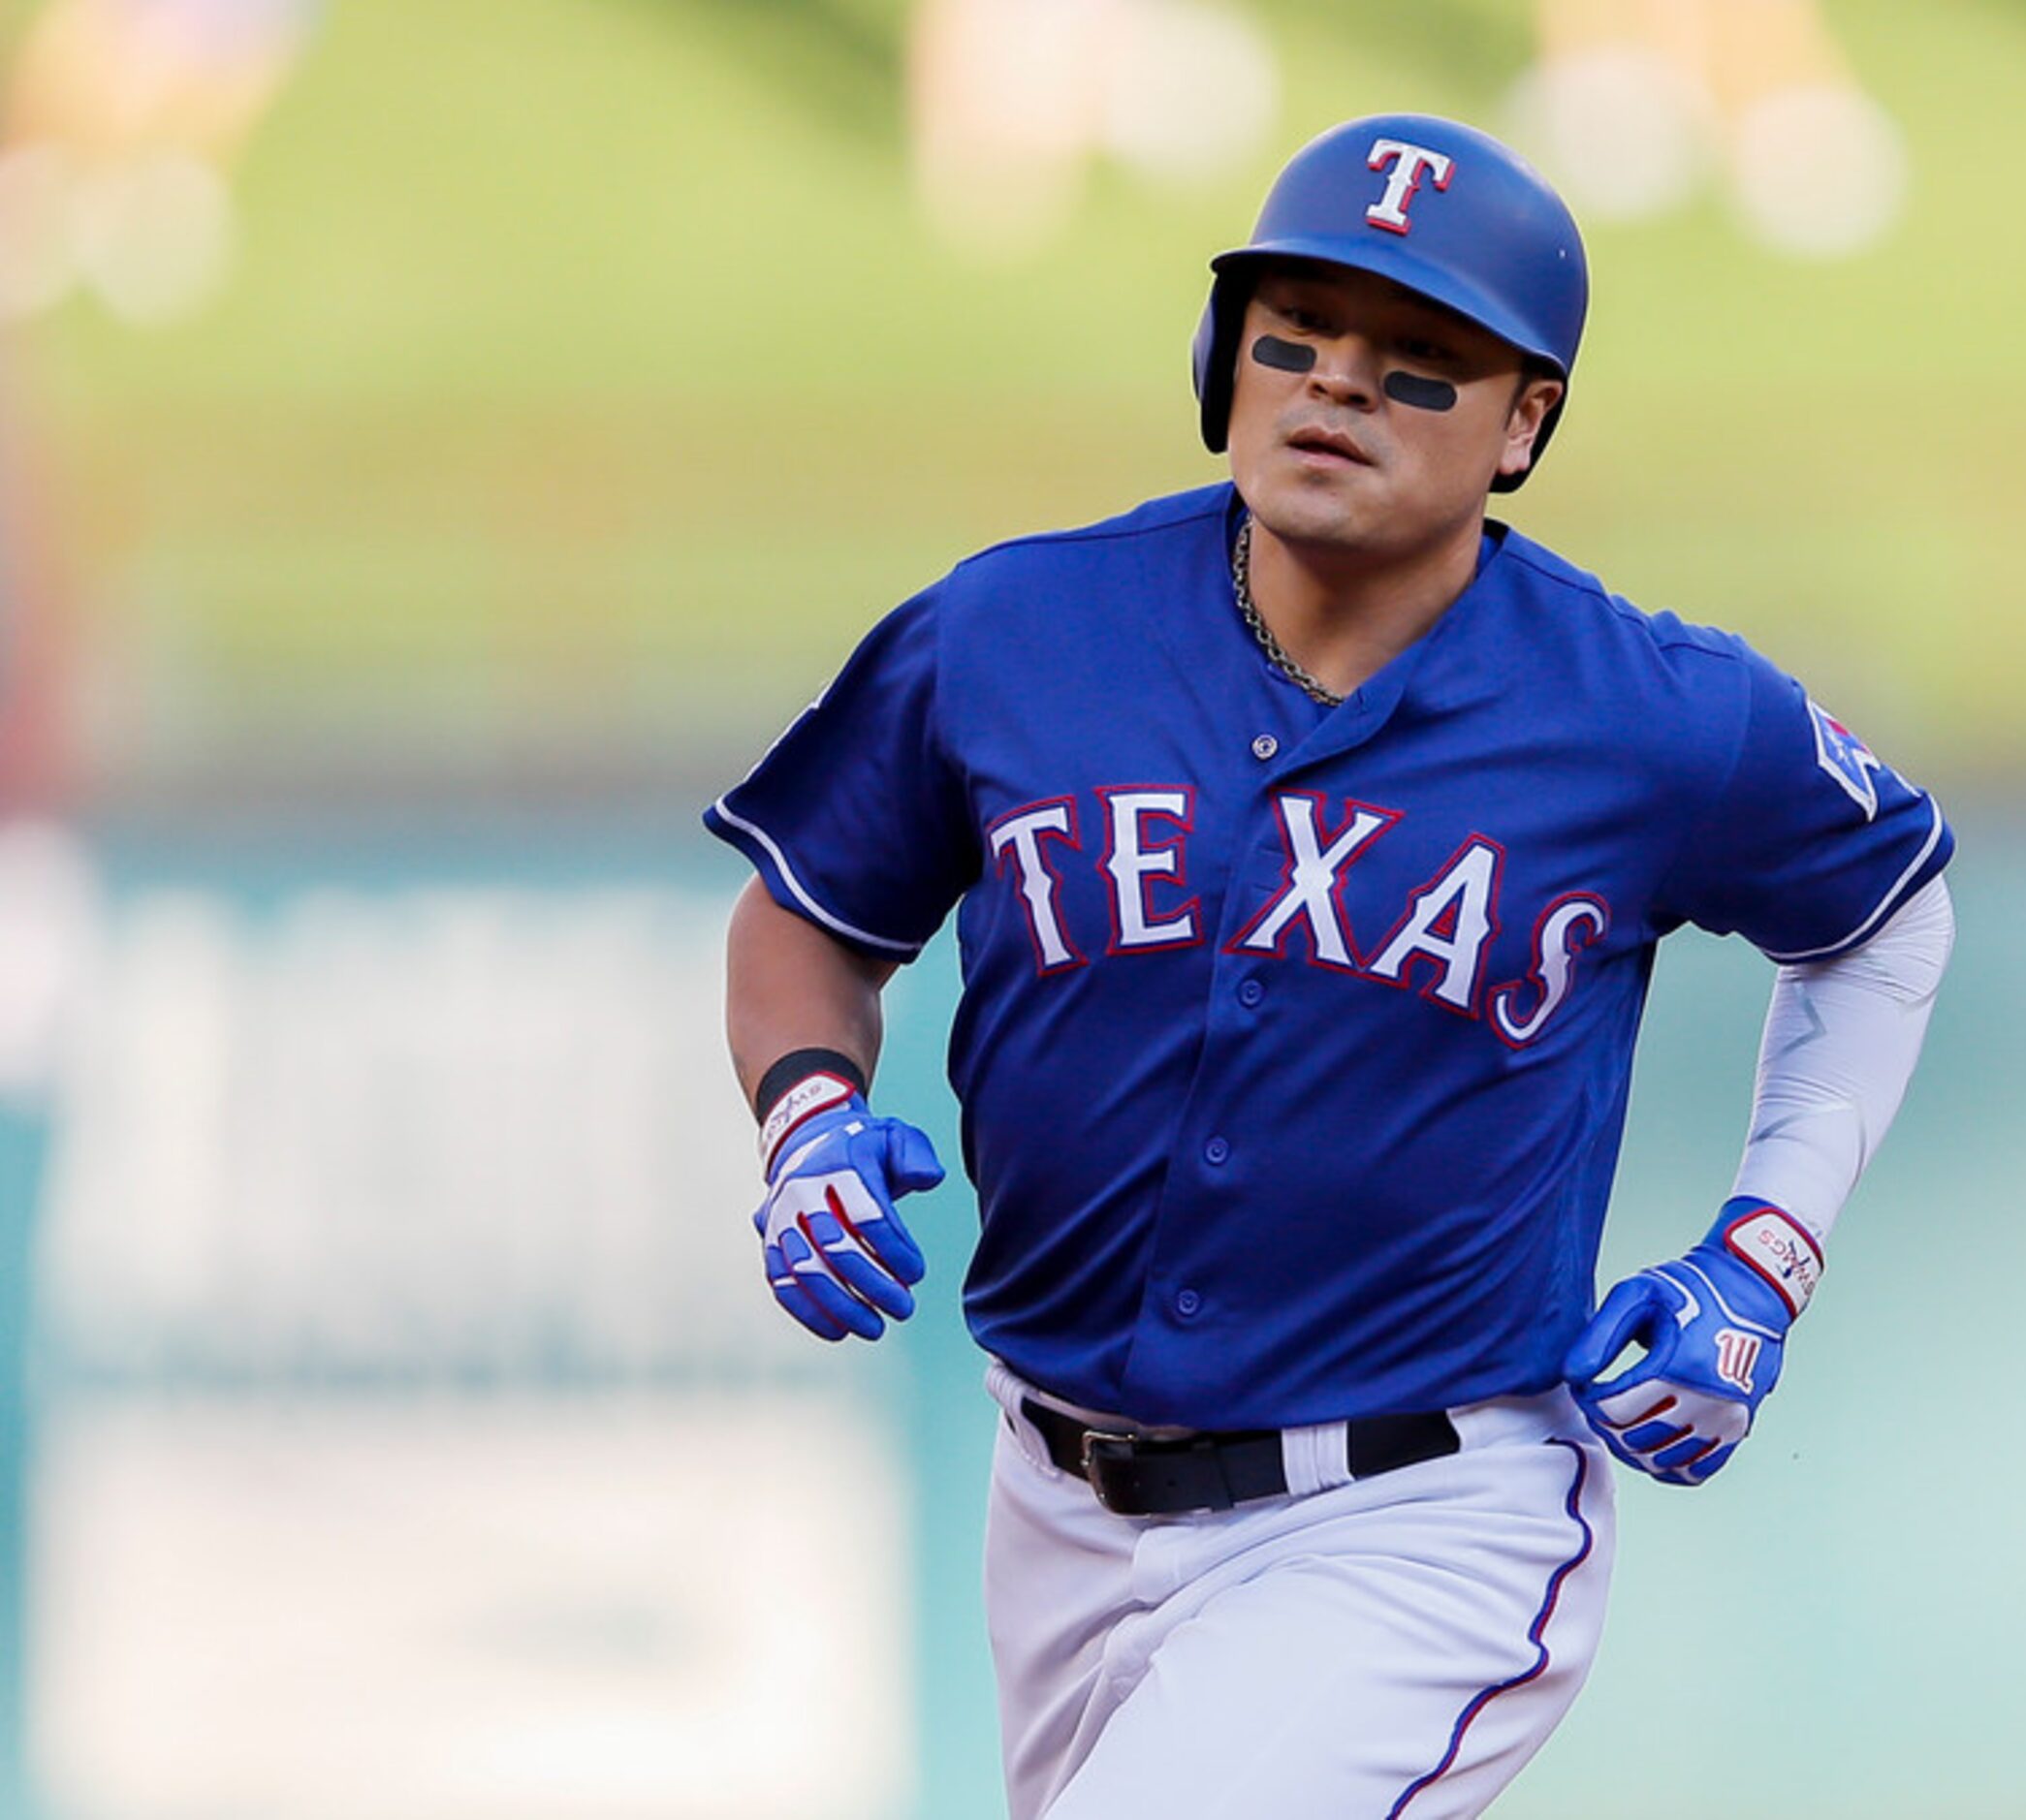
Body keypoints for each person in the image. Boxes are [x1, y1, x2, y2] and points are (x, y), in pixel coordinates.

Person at [706, 110, 1954, 1819]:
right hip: (1053, 1501)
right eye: (1294, 330)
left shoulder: (1646, 712)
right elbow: (812, 912)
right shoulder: (1011, 630)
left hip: (1421, 1515)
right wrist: (803, 1118)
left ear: (1527, 424)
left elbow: (1886, 910)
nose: (1337, 383)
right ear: (1223, 356)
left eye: (1419, 359)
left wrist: (1766, 1248)